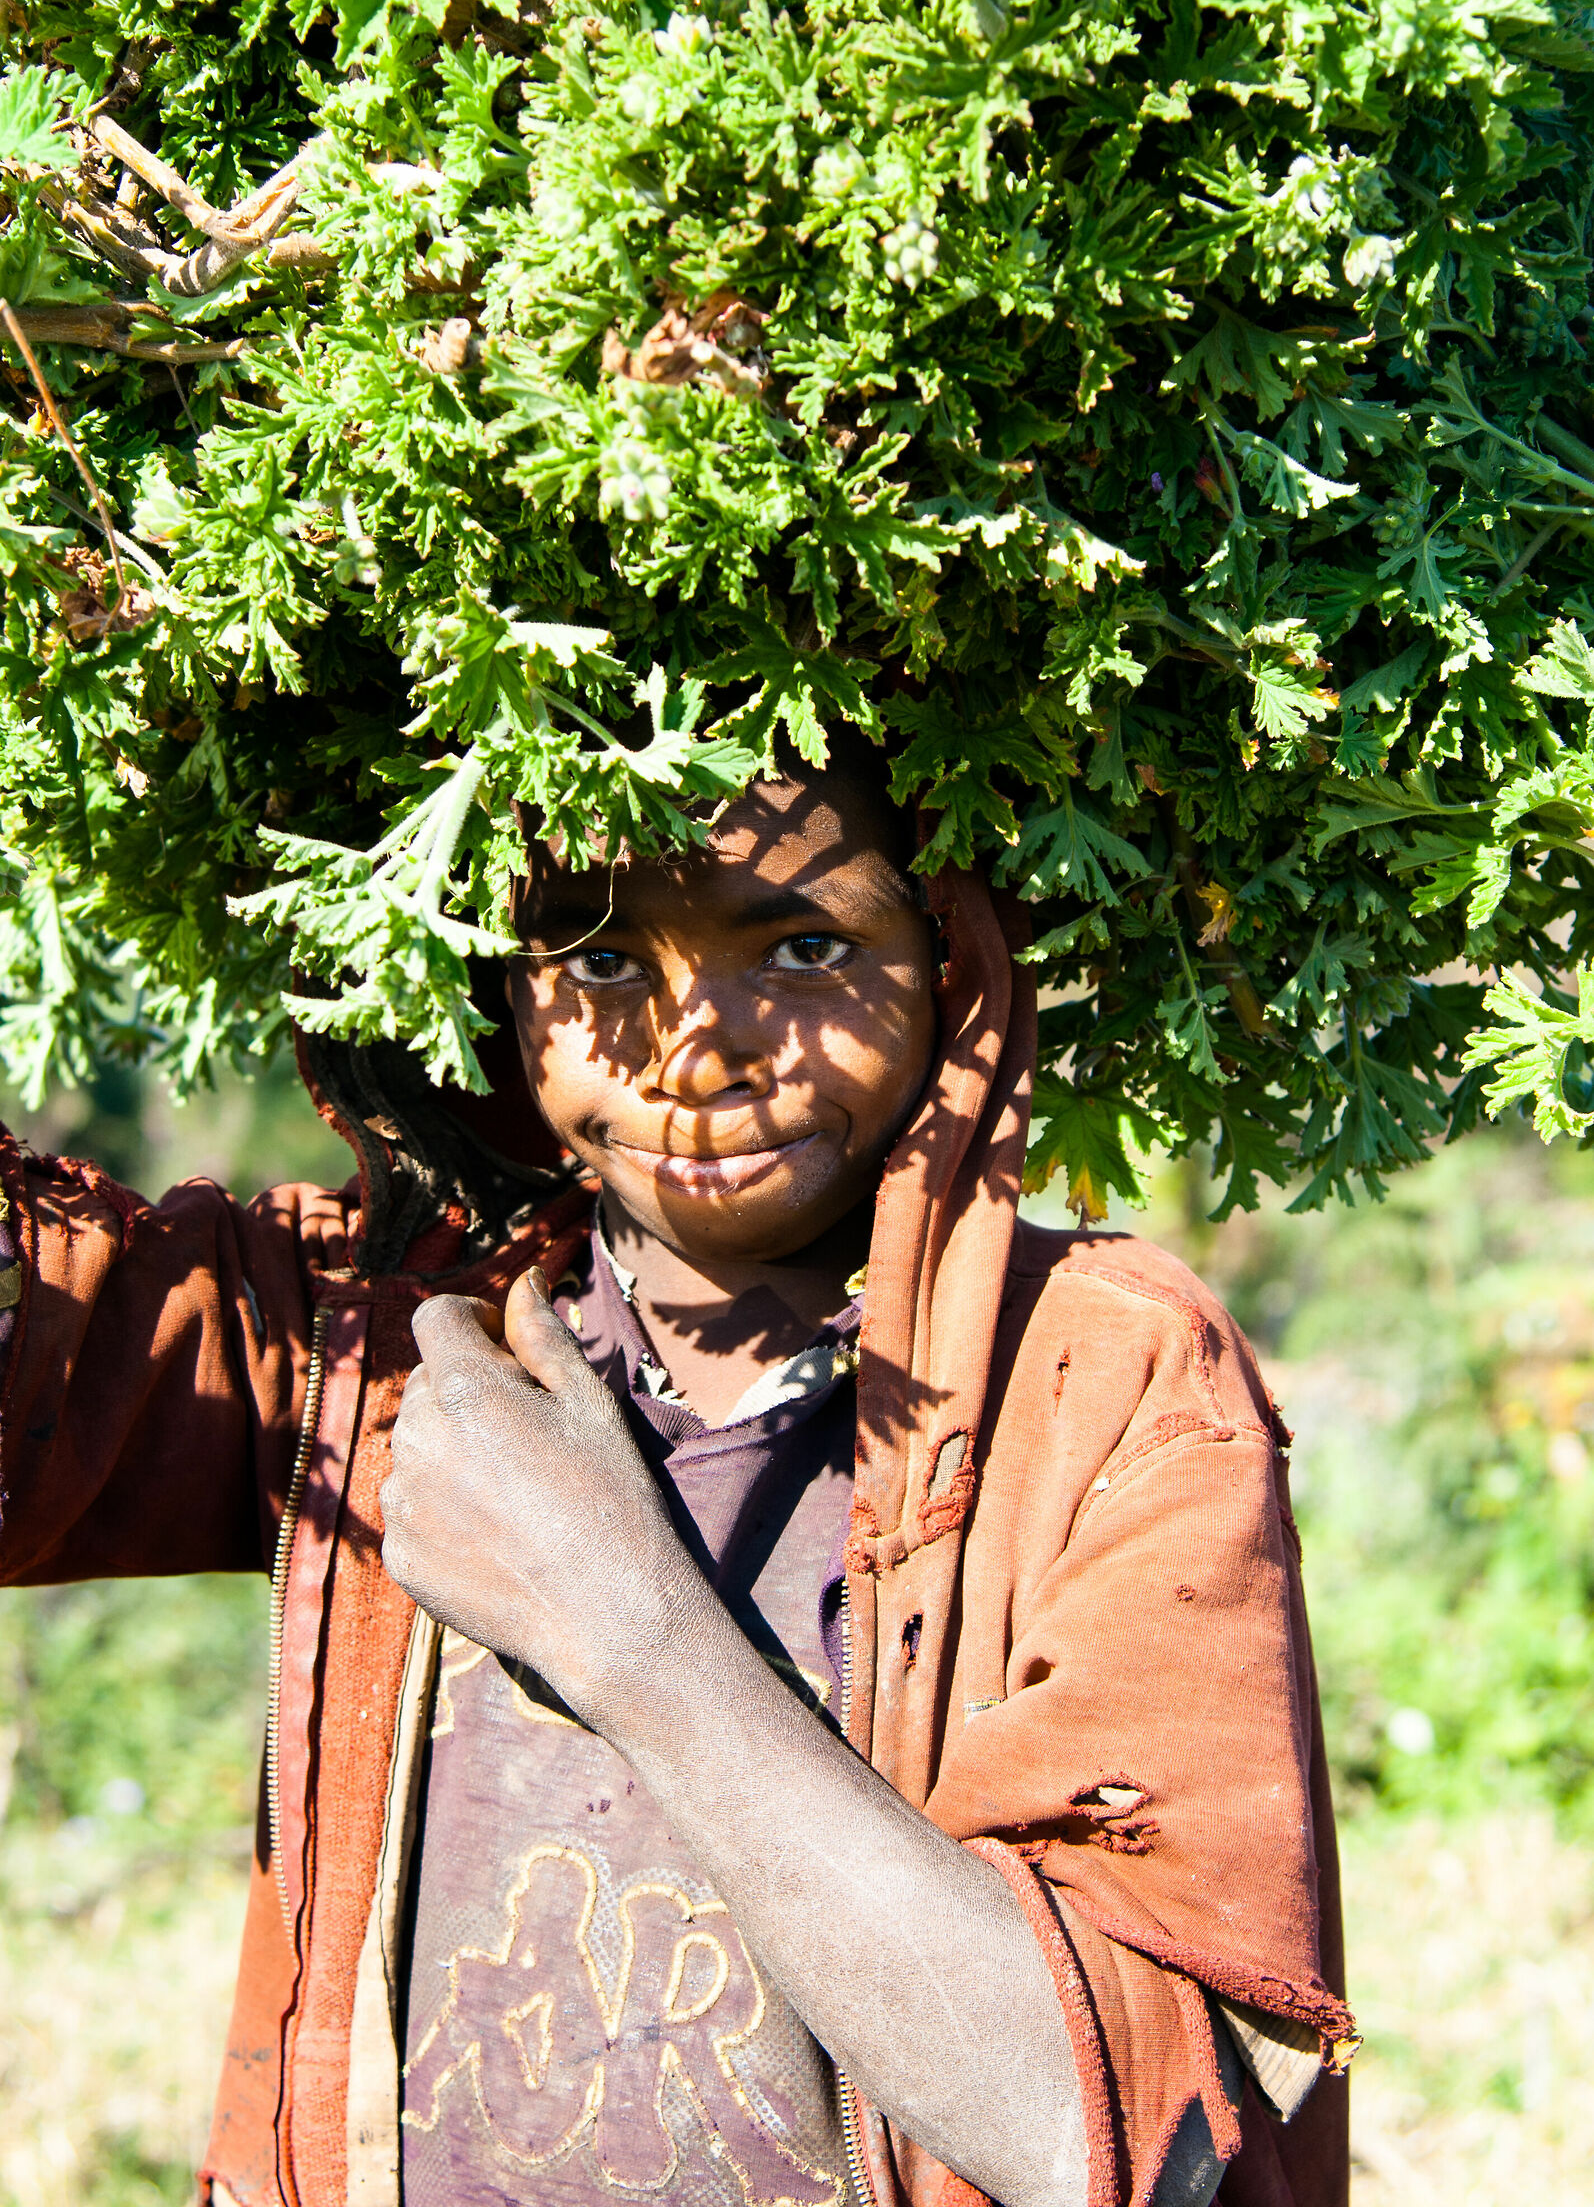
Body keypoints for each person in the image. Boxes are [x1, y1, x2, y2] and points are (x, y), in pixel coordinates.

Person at [0, 741, 1355, 2207]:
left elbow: (1133, 2145)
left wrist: (622, 1623)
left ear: (952, 965)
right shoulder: (368, 1331)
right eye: (592, 960)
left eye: (808, 944)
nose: (699, 1047)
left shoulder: (1101, 1377)